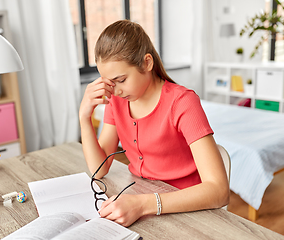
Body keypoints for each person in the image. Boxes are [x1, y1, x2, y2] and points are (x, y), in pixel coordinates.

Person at [79, 20, 229, 227]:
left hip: (186, 211)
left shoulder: (183, 103)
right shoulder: (116, 101)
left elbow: (219, 191)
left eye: (121, 80)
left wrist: (143, 204)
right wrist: (84, 117)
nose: (116, 91)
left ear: (147, 63)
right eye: (109, 83)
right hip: (141, 202)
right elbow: (100, 168)